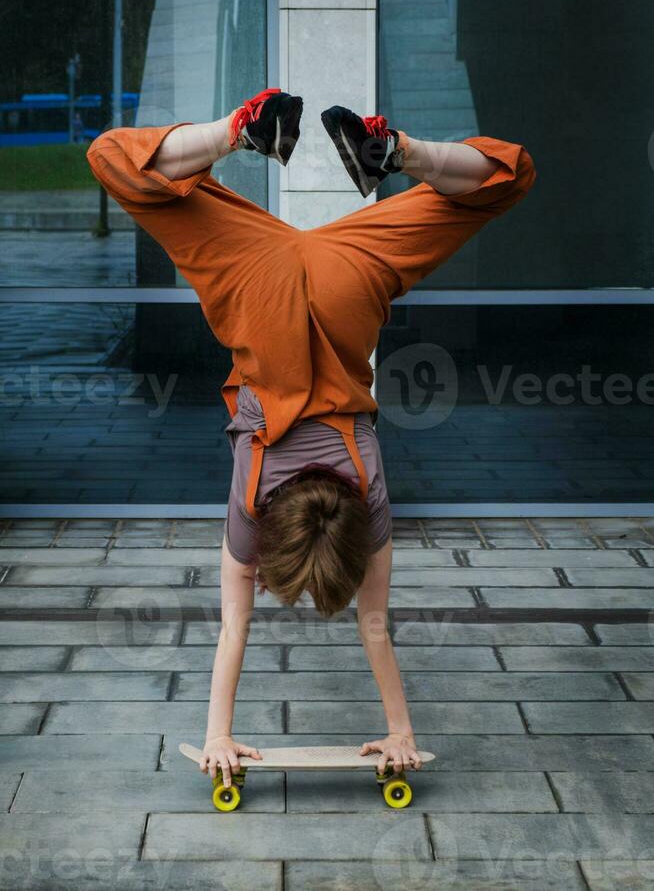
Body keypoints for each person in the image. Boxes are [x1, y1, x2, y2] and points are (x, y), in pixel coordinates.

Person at [86, 87, 536, 788]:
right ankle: (248, 133)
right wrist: (218, 737)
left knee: (505, 180)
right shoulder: (250, 511)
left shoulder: (372, 505)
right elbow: (239, 629)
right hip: (254, 284)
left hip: (347, 281)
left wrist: (401, 734)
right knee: (122, 166)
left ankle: (390, 150)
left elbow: (374, 628)